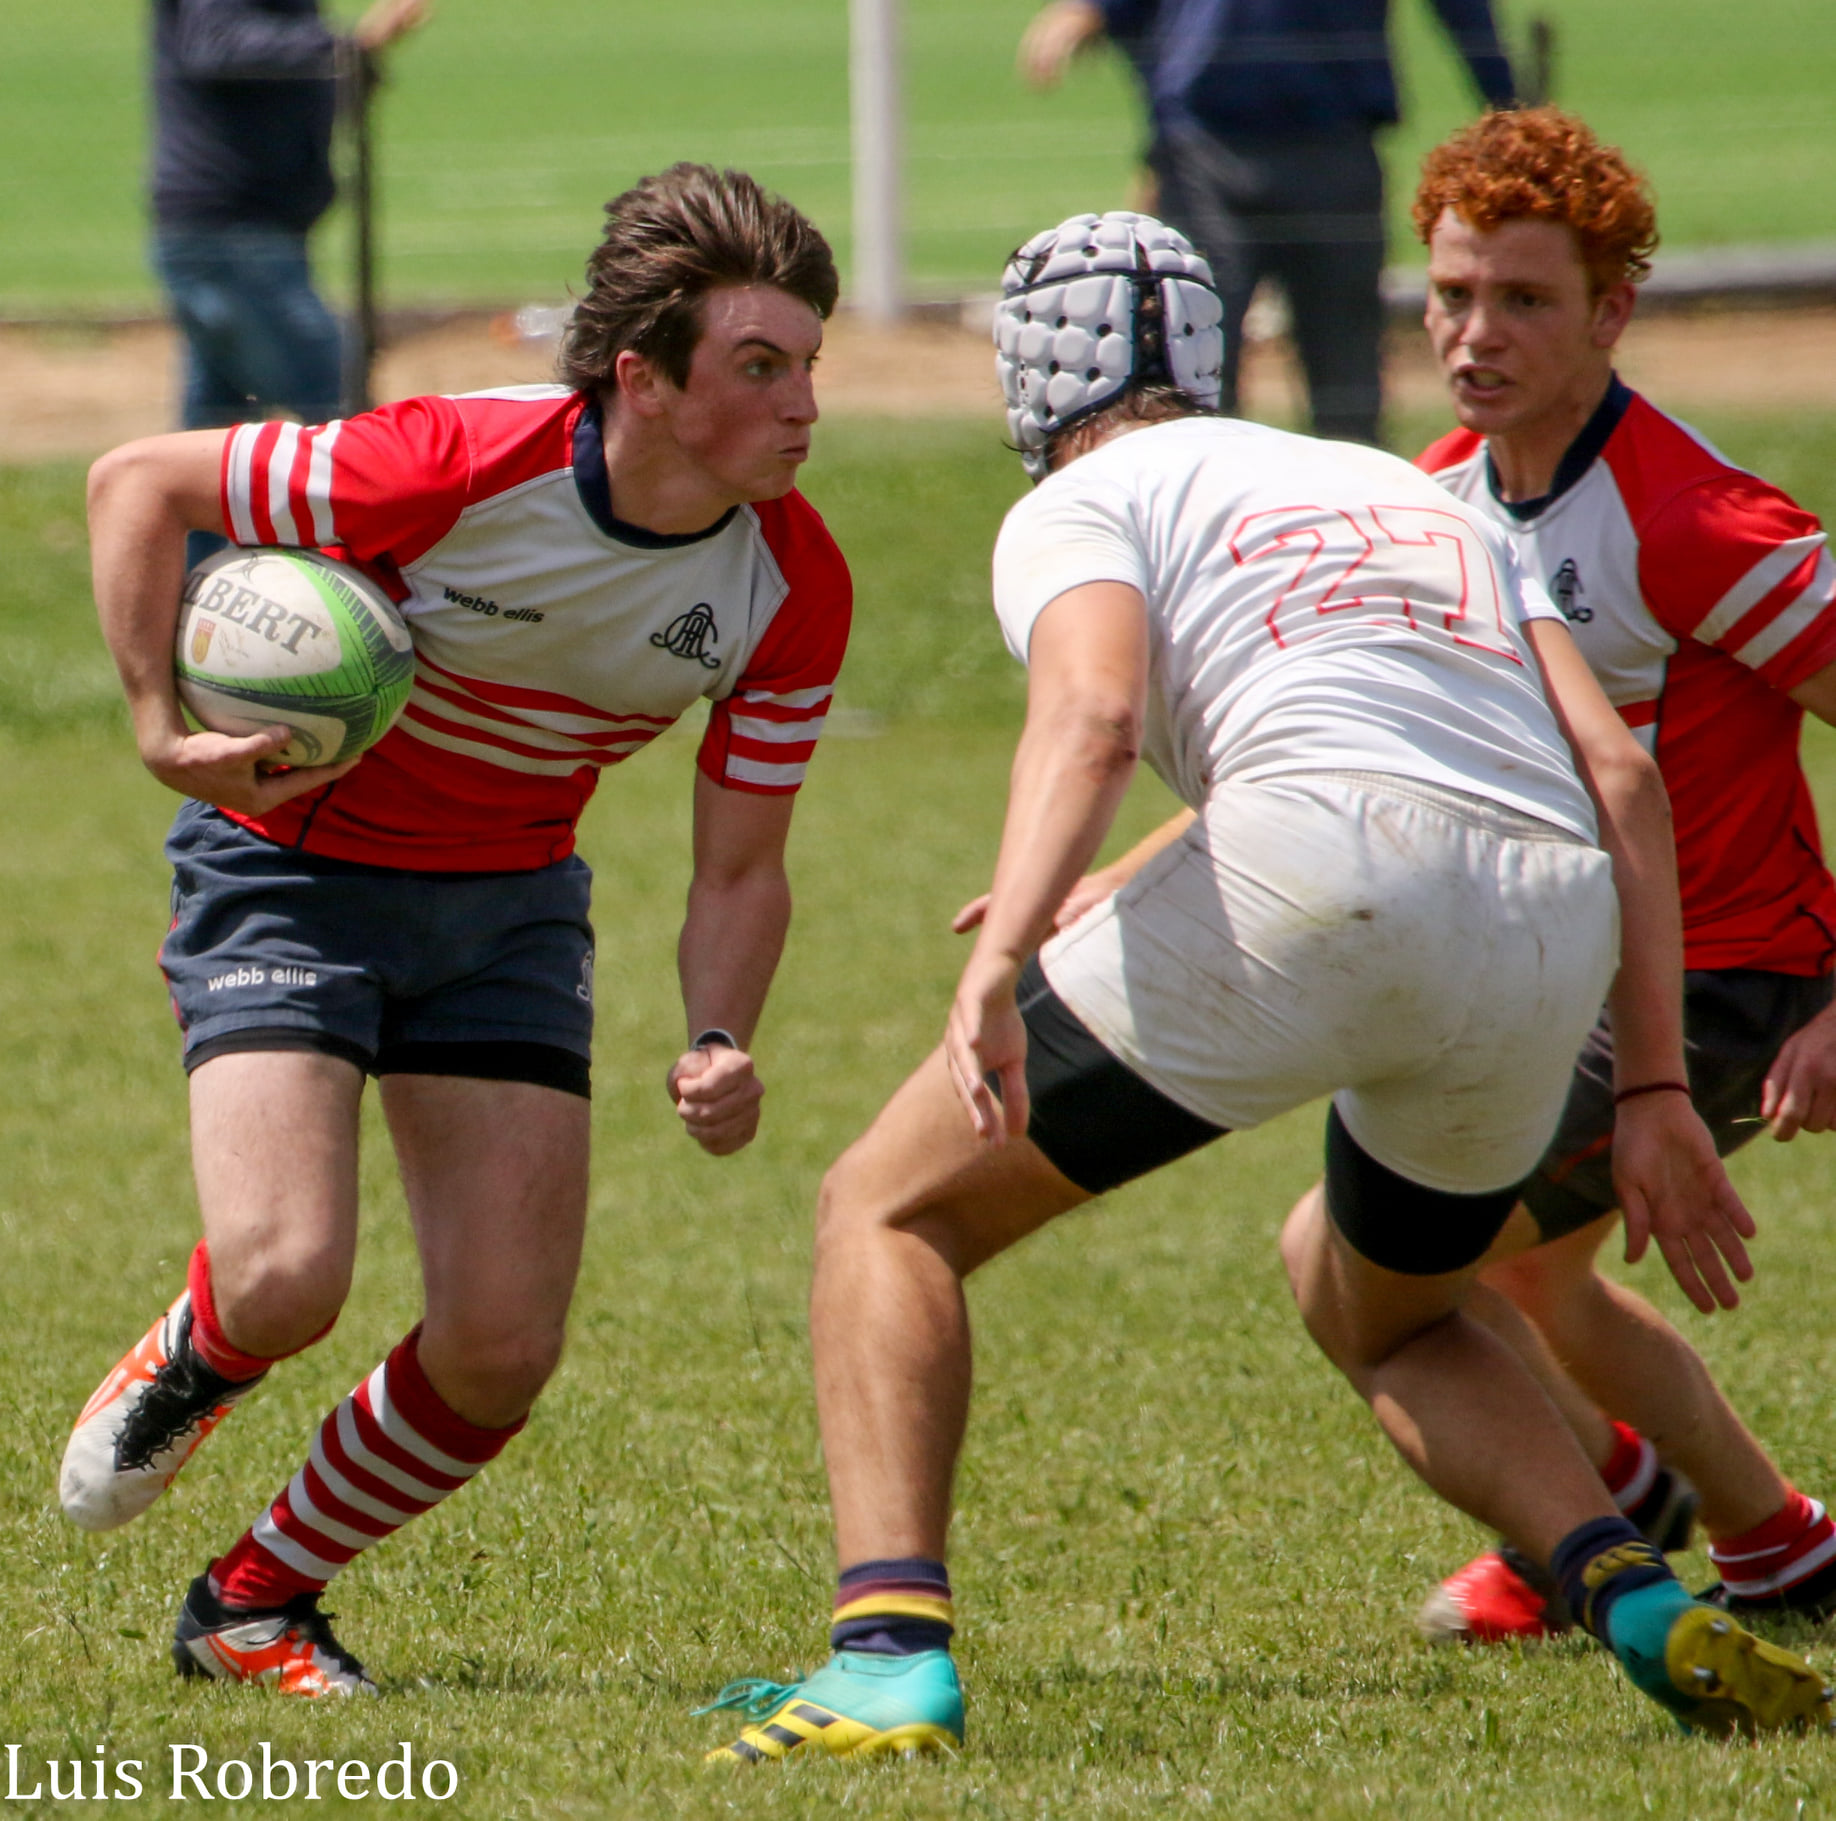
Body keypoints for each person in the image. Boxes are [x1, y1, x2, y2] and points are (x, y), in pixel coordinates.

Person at [693, 210, 1829, 1763]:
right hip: (1551, 908)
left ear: (1031, 380)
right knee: (1399, 1310)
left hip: (1319, 858)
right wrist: (1645, 1088)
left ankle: (886, 1660)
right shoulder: (1401, 481)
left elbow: (1090, 719)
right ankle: (1632, 1591)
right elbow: (1623, 782)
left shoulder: (1081, 500)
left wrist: (1004, 955)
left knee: (886, 1210)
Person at [63, 164, 852, 1696]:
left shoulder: (788, 583)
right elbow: (134, 483)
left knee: (499, 1347)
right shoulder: (449, 461)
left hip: (507, 909)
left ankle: (251, 1604)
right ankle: (203, 1350)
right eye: (761, 367)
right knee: (289, 1274)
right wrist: (163, 725)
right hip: (290, 869)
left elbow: (742, 868)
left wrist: (717, 1033)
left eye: (809, 364)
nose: (803, 404)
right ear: (645, 377)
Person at [1401, 106, 1836, 1644]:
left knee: (1378, 1268)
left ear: (1612, 311)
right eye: (1453, 294)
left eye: (1524, 300)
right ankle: (1773, 1540)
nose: (1474, 333)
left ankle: (1576, 1523)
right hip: (1554, 973)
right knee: (1532, 1282)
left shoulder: (1690, 516)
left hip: (1721, 978)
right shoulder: (1438, 493)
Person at [1016, 0, 1515, 443]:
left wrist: (1508, 113)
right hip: (1202, 150)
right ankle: (1208, 535)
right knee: (1192, 375)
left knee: (1346, 387)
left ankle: (1357, 534)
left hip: (1336, 140)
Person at [152, 0, 427, 445]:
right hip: (230, 234)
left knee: (216, 438)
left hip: (250, 232)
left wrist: (355, 61)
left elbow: (308, 84)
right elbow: (217, 47)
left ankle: (194, 516)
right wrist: (348, 46)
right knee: (343, 411)